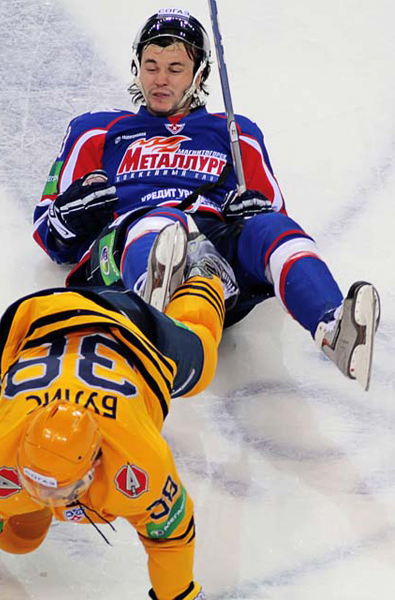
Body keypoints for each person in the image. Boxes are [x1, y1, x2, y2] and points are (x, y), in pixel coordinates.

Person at [32, 7, 379, 390]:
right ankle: (152, 304)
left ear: (198, 75)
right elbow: (49, 231)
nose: (160, 79)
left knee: (272, 228)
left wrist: (251, 211)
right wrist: (69, 217)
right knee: (161, 223)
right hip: (130, 243)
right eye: (151, 66)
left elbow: (272, 211)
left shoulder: (235, 132)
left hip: (214, 253)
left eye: (175, 69)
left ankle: (333, 327)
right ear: (137, 66)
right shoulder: (95, 130)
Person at [0, 235, 230, 600]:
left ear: (95, 462)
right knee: (19, 538)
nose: (50, 499)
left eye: (58, 490)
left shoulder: (141, 457)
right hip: (28, 328)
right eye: (38, 486)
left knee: (202, 358)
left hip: (130, 328)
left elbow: (170, 538)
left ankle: (204, 274)